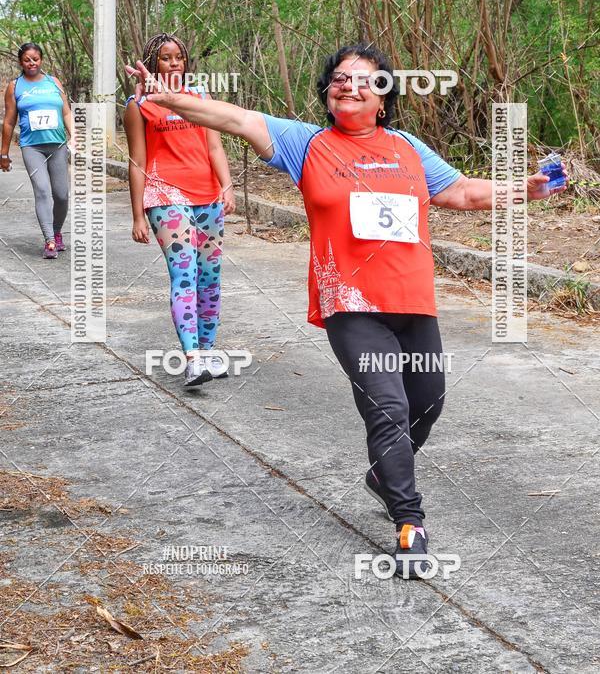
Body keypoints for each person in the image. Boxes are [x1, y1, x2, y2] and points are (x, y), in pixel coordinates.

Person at [126, 42, 566, 576]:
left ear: (384, 97)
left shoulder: (407, 148)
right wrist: (165, 95)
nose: (348, 85)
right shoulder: (305, 145)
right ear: (327, 94)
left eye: (365, 79)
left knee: (427, 403)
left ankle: (383, 475)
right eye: (338, 78)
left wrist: (524, 189)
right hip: (352, 307)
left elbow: (465, 193)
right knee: (388, 407)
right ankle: (410, 522)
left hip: (414, 304)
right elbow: (232, 117)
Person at [124, 33, 235, 389]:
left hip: (208, 196)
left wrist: (227, 185)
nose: (174, 63)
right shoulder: (139, 104)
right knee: (184, 274)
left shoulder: (199, 96)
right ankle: (190, 360)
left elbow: (214, 147)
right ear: (152, 62)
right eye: (166, 58)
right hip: (164, 195)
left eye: (179, 58)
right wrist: (138, 214)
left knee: (210, 278)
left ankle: (207, 355)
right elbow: (137, 161)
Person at [1, 43, 73, 259]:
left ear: (41, 59)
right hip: (32, 147)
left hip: (58, 145)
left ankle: (57, 232)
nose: (31, 63)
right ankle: (49, 240)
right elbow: (8, 122)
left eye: (35, 59)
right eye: (27, 60)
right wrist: (3, 153)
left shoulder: (54, 82)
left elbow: (67, 112)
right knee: (42, 191)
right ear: (20, 62)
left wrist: (74, 136)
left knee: (61, 195)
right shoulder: (15, 86)